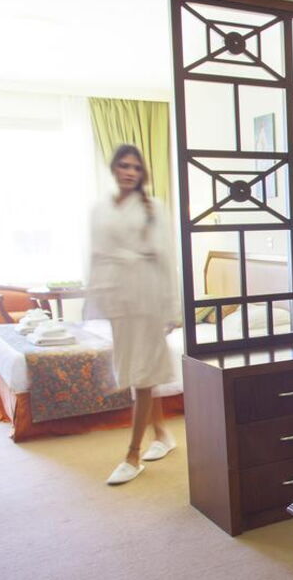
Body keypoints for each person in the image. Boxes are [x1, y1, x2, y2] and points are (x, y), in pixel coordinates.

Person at [87, 144, 180, 486]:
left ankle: (132, 455)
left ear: (142, 173)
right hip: (119, 298)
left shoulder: (153, 208)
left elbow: (167, 258)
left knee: (142, 374)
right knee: (134, 370)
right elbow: (94, 255)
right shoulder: (100, 209)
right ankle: (162, 435)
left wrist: (172, 308)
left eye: (136, 167)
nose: (129, 172)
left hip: (147, 296)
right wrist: (95, 297)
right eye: (124, 166)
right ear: (114, 168)